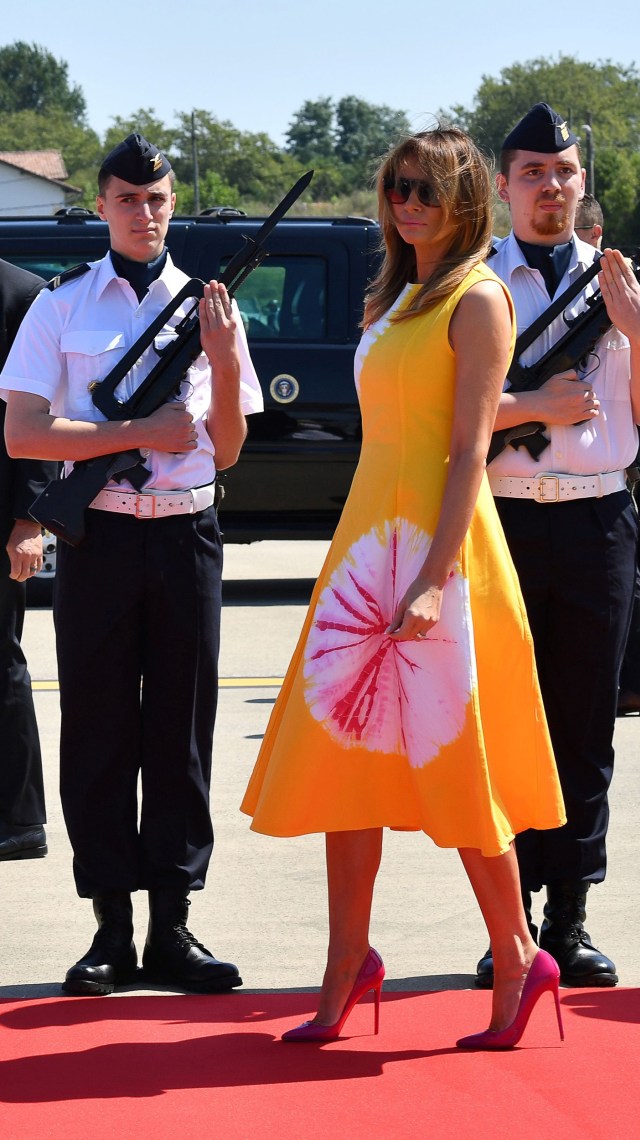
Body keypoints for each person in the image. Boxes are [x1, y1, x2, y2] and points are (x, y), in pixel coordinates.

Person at [242, 126, 566, 1050]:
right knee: (347, 766)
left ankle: (517, 951)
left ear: (465, 197)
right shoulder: (399, 294)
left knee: (460, 768)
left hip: (440, 555)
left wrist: (432, 577)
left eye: (424, 188)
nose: (406, 203)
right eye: (395, 187)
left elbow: (470, 448)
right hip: (364, 547)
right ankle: (348, 959)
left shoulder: (478, 299)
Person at [1, 133, 262, 995]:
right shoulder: (63, 305)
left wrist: (223, 365)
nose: (143, 214)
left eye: (156, 200)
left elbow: (226, 450)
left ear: (173, 201)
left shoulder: (212, 306)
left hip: (187, 532)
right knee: (102, 729)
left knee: (181, 734)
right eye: (125, 199)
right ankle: (110, 926)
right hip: (101, 538)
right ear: (102, 206)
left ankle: (174, 926)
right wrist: (136, 434)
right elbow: (24, 432)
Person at [476, 104, 640, 989]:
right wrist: (534, 408)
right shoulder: (475, 286)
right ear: (503, 187)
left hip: (599, 521)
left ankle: (571, 918)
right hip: (503, 524)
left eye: (563, 173)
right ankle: (509, 926)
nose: (550, 188)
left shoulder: (622, 282)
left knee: (583, 730)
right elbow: (443, 424)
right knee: (506, 730)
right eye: (532, 174)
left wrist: (635, 329)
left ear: (581, 183)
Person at [575, 193, 640, 717]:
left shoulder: (629, 288)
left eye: (591, 235)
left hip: (616, 456)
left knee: (627, 574)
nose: (589, 246)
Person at [0, 258, 54, 862]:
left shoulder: (21, 296)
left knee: (0, 666)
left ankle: (18, 820)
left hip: (1, 517)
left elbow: (39, 411)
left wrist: (29, 519)